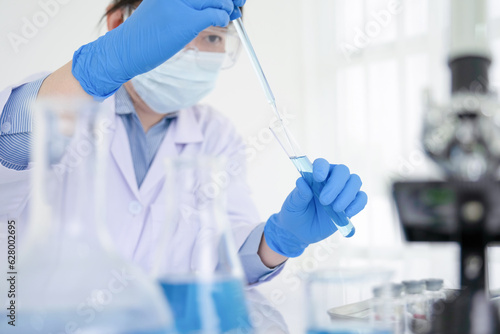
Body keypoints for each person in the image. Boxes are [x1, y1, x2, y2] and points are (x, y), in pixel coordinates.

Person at [0, 0, 367, 285]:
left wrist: (278, 240)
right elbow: (10, 150)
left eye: (212, 37)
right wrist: (101, 64)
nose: (193, 49)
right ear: (119, 25)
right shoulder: (60, 102)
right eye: (174, 29)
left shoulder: (216, 135)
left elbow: (221, 257)